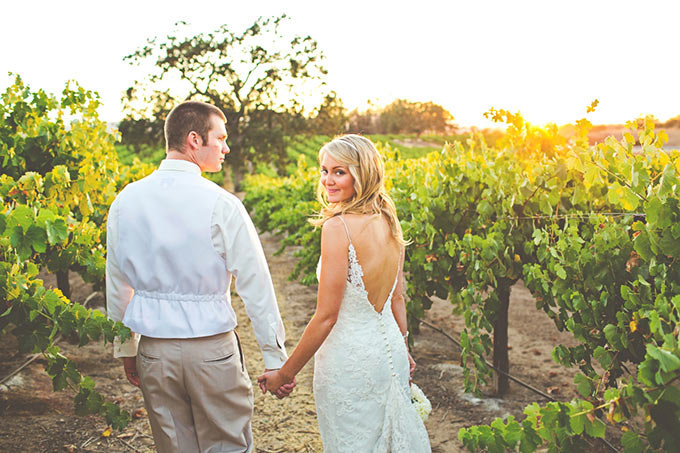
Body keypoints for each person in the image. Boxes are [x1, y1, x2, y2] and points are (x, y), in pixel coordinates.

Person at [106, 101, 294, 453]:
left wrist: (127, 349)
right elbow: (256, 285)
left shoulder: (125, 201)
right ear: (194, 139)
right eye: (220, 138)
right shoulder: (222, 203)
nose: (226, 148)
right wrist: (275, 358)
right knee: (227, 445)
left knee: (174, 447)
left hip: (153, 353)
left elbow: (117, 283)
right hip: (211, 352)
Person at [257, 135, 431, 451]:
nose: (327, 180)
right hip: (389, 353)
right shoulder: (389, 219)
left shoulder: (338, 228)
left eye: (339, 172)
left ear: (361, 174)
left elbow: (326, 317)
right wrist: (403, 348)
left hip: (350, 362)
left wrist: (285, 373)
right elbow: (396, 298)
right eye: (324, 170)